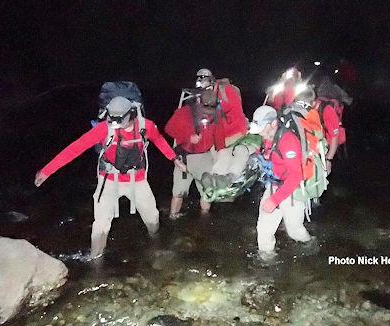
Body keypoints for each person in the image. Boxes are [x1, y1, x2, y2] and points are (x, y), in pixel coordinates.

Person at [34, 96, 186, 258]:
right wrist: (46, 171)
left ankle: (155, 244)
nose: (115, 124)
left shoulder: (146, 126)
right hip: (109, 179)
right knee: (100, 225)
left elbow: (159, 140)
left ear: (131, 115)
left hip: (137, 178)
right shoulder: (103, 129)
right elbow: (75, 148)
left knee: (152, 216)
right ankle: (96, 259)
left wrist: (174, 159)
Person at [250, 105, 311, 259]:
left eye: (262, 127)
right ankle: (266, 263)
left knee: (294, 231)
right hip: (273, 184)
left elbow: (295, 176)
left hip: (292, 189)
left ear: (273, 124)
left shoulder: (288, 140)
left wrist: (275, 200)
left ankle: (311, 248)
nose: (260, 132)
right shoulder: (265, 138)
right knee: (263, 231)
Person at [194, 68, 249, 192]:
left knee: (231, 153)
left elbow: (236, 110)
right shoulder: (202, 96)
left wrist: (215, 104)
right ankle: (214, 178)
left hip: (235, 130)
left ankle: (230, 177)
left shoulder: (226, 90)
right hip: (220, 135)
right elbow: (206, 119)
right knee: (221, 155)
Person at [165, 89, 217, 218]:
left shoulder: (217, 115)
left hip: (205, 157)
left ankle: (204, 218)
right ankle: (173, 217)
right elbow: (168, 129)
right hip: (185, 157)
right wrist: (187, 137)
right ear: (199, 102)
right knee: (178, 192)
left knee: (207, 192)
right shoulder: (183, 112)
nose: (207, 113)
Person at [315, 76, 353, 172]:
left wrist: (329, 159)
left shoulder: (326, 107)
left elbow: (334, 136)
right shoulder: (336, 89)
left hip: (329, 139)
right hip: (334, 133)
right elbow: (349, 100)